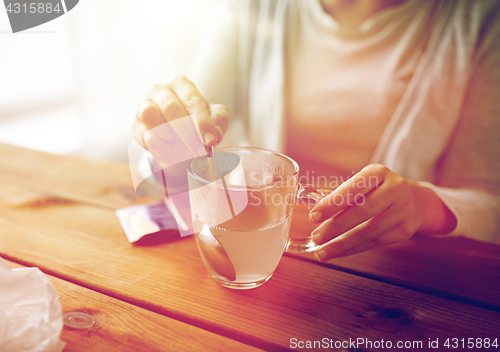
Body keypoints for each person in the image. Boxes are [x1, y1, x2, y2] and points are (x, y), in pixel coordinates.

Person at [133, 0, 500, 262]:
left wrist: (421, 205)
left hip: (396, 273)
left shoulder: (481, 22)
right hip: (255, 253)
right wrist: (170, 138)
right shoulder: (253, 8)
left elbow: (490, 202)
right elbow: (185, 157)